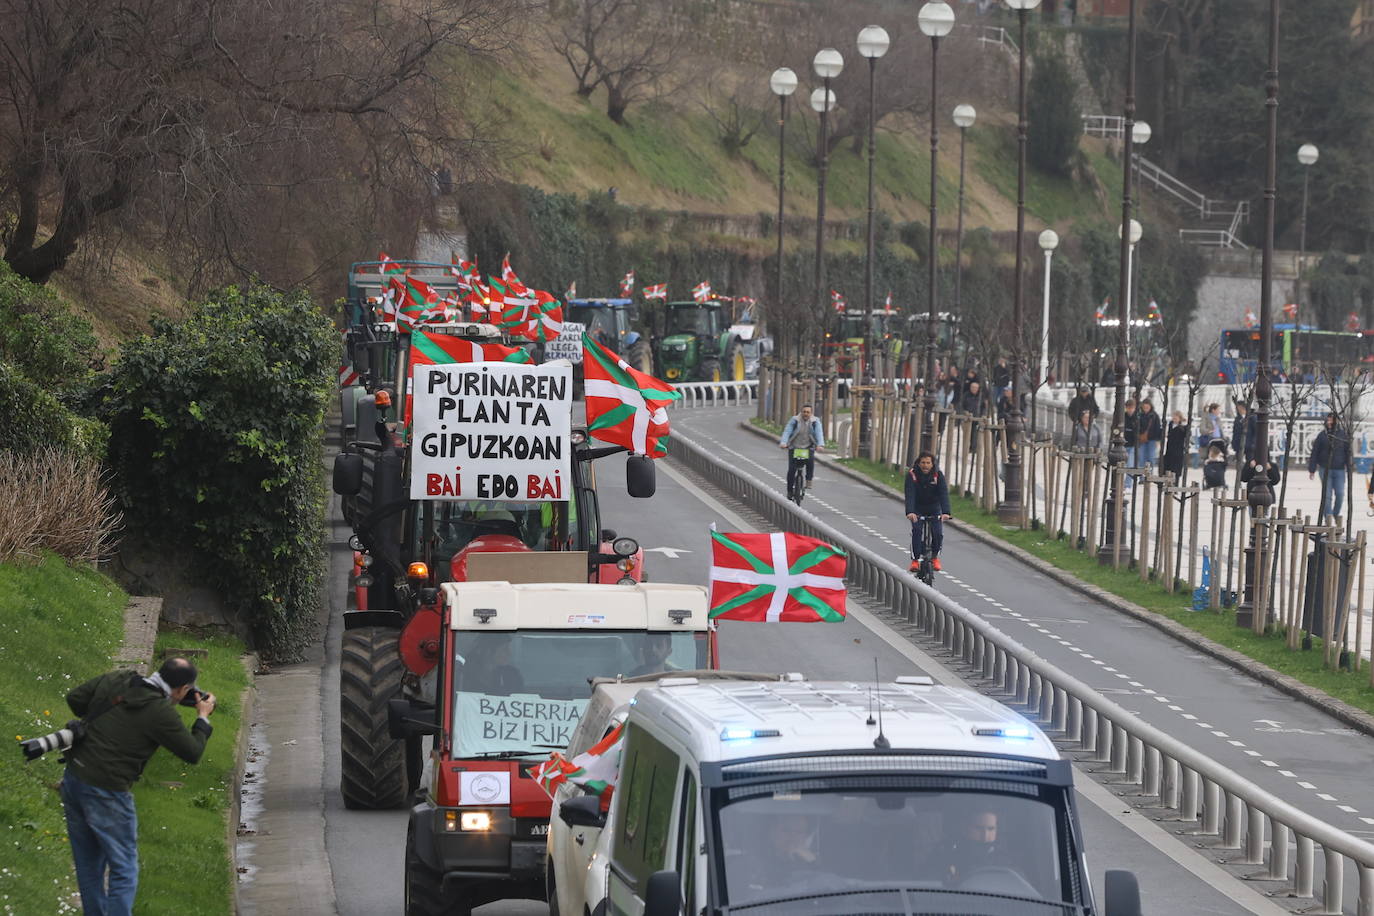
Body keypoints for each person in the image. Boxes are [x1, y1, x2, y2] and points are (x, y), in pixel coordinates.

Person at [61, 657, 215, 916]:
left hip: (75, 777)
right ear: (183, 690)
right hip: (109, 789)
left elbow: (75, 699)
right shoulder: (160, 713)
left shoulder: (117, 679)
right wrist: (202, 717)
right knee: (123, 868)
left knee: (89, 866)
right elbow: (193, 752)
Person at [937, 809, 1012, 885]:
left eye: (991, 829)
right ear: (965, 828)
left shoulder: (1006, 861)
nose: (985, 836)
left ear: (997, 830)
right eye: (978, 828)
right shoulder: (946, 855)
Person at [905, 451, 951, 573]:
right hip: (917, 508)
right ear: (919, 463)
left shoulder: (938, 475)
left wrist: (945, 512)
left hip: (933, 507)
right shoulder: (912, 475)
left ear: (932, 464)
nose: (925, 465)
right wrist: (910, 512)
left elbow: (943, 494)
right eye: (923, 463)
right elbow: (910, 494)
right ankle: (915, 559)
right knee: (917, 530)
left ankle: (935, 556)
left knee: (938, 533)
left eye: (928, 463)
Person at [1308, 412, 1351, 522]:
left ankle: (1335, 515)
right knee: (1327, 496)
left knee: (1340, 494)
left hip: (1340, 470)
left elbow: (1348, 452)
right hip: (1325, 469)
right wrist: (1312, 469)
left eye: (1332, 420)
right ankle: (1328, 518)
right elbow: (1315, 452)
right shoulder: (1322, 435)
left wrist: (1350, 468)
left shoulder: (1343, 435)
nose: (1329, 422)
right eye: (1328, 420)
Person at [778, 404, 824, 491]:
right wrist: (783, 442)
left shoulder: (815, 422)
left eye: (808, 412)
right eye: (804, 412)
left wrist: (820, 445)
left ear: (811, 413)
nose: (806, 414)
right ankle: (790, 490)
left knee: (810, 462)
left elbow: (819, 433)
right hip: (794, 447)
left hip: (808, 447)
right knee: (792, 470)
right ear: (801, 412)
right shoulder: (795, 420)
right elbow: (787, 431)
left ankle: (809, 480)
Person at [1162, 409, 1189, 478]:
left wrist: (1185, 426)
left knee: (1176, 469)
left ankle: (1175, 482)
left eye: (1176, 418)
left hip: (1178, 450)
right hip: (1169, 449)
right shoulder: (1170, 425)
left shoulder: (1182, 427)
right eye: (1173, 418)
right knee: (1167, 467)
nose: (1174, 420)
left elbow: (1187, 434)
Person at [1136, 399, 1163, 468]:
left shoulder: (1155, 415)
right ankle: (1142, 476)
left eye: (1147, 407)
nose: (1146, 409)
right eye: (1144, 407)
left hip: (1152, 440)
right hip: (1142, 440)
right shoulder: (1139, 415)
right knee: (1142, 458)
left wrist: (1158, 440)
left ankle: (1149, 475)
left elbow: (1158, 428)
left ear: (1150, 407)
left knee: (1151, 457)